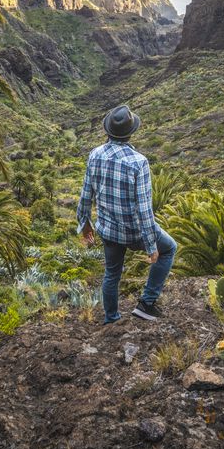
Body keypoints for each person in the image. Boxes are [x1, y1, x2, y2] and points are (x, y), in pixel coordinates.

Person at [76, 104, 177, 324]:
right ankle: (146, 304)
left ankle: (111, 319)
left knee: (111, 274)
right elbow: (144, 209)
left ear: (107, 131)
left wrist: (85, 225)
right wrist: (151, 246)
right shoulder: (138, 162)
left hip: (109, 231)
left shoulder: (95, 155)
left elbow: (85, 195)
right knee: (169, 248)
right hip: (134, 233)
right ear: (131, 132)